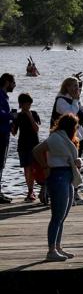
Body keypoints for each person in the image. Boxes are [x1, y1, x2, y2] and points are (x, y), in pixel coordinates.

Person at [32, 113, 83, 261]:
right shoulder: (55, 138)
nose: (77, 128)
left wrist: (77, 161)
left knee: (63, 216)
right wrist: (45, 166)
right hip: (58, 175)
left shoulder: (68, 139)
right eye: (75, 125)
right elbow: (36, 151)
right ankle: (51, 250)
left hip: (68, 175)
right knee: (57, 216)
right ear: (70, 126)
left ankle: (58, 247)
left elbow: (69, 157)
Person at [50, 77, 83, 205]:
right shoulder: (61, 101)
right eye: (73, 86)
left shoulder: (73, 99)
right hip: (64, 138)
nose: (76, 88)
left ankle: (75, 193)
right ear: (66, 87)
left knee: (77, 164)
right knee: (68, 165)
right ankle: (69, 195)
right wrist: (76, 100)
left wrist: (77, 100)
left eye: (77, 86)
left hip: (76, 136)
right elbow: (71, 113)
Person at [11, 93, 41, 202]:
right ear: (21, 104)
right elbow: (14, 132)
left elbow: (37, 129)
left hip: (34, 145)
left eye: (30, 104)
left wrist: (30, 116)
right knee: (27, 168)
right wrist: (11, 121)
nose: (28, 106)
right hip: (23, 144)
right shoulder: (18, 116)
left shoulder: (34, 113)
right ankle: (30, 191)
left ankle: (39, 189)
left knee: (35, 168)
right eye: (26, 104)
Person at [0, 73, 16, 203]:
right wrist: (11, 116)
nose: (14, 85)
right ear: (7, 82)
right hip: (0, 134)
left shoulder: (4, 96)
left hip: (4, 133)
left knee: (1, 164)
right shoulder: (0, 95)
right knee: (0, 164)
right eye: (13, 82)